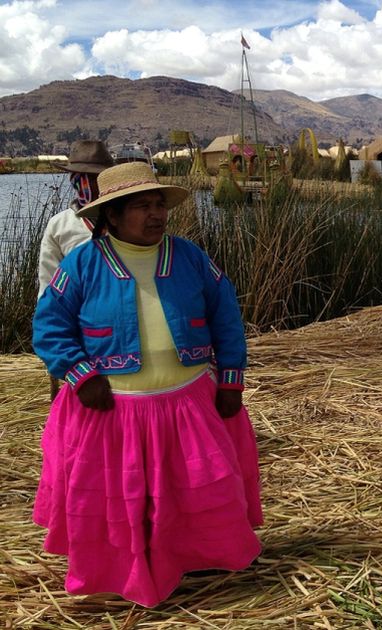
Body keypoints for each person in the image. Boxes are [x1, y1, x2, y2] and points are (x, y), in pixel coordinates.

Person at [32, 161, 262, 607]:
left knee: (194, 488)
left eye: (159, 204)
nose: (156, 214)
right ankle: (126, 570)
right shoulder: (83, 264)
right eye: (142, 206)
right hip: (112, 409)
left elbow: (226, 316)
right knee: (120, 498)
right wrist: (80, 375)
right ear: (112, 216)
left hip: (187, 403)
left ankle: (195, 559)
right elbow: (50, 326)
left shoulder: (190, 258)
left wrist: (230, 380)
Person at [39, 140, 115, 399]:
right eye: (85, 178)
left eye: (97, 178)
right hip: (80, 324)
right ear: (75, 179)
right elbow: (48, 285)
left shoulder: (130, 219)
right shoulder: (60, 226)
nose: (91, 185)